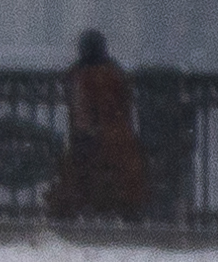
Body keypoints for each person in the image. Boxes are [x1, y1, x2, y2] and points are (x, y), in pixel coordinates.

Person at [54, 26, 152, 223]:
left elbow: (83, 115)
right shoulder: (114, 75)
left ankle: (75, 211)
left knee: (78, 176)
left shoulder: (81, 76)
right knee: (122, 178)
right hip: (118, 140)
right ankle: (126, 211)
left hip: (91, 141)